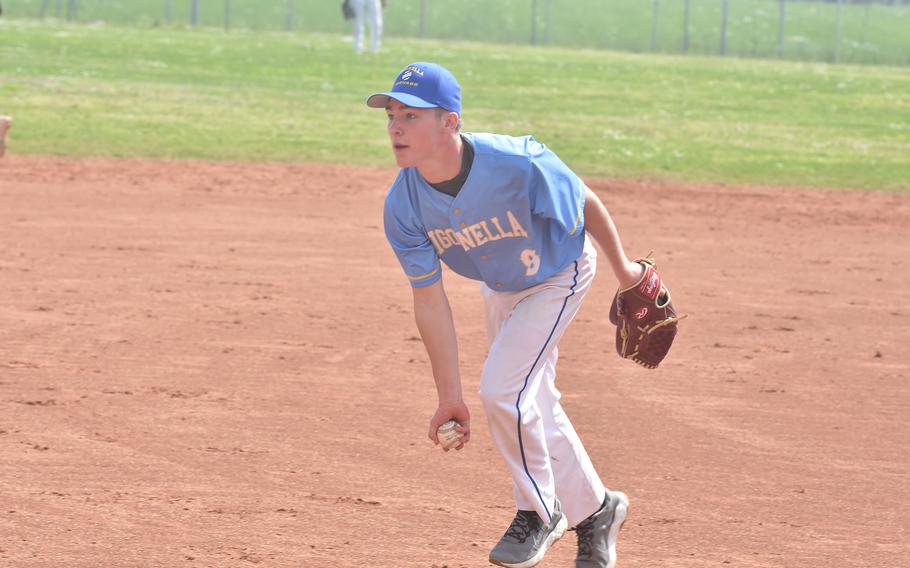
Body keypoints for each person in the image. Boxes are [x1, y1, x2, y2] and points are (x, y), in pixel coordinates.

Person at [367, 62, 643, 568]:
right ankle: (599, 511)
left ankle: (540, 511)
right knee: (530, 398)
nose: (395, 127)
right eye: (390, 115)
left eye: (410, 115)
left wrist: (626, 273)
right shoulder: (403, 204)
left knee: (502, 391)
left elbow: (581, 201)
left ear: (449, 122)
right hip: (503, 287)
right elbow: (429, 299)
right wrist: (448, 396)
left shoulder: (517, 162)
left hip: (560, 272)